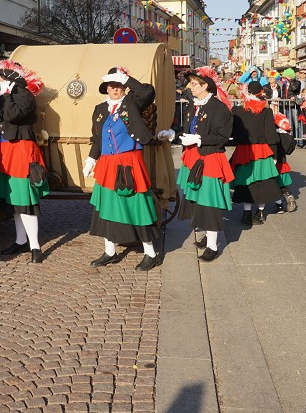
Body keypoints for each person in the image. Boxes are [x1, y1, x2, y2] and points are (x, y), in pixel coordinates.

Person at [84, 67, 161, 271]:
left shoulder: (131, 103)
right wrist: (91, 159)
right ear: (106, 88)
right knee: (106, 209)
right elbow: (97, 139)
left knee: (138, 207)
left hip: (128, 162)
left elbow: (147, 92)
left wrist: (126, 78)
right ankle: (110, 251)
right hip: (107, 165)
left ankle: (150, 253)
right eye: (111, 85)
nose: (115, 89)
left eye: (118, 85)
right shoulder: (100, 109)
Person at [0, 60, 50, 263]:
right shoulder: (5, 97)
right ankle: (21, 240)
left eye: (2, 78)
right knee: (14, 202)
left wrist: (6, 96)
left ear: (12, 80)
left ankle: (35, 246)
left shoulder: (24, 96)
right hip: (6, 149)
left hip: (21, 150)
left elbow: (13, 116)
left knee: (25, 202)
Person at [173, 67, 234, 262]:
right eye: (190, 83)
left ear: (205, 85)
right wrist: (173, 135)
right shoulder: (194, 104)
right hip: (193, 157)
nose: (189, 86)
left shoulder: (218, 108)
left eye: (193, 83)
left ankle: (213, 245)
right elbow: (186, 128)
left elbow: (222, 137)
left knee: (209, 202)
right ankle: (208, 235)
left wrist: (199, 140)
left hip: (209, 157)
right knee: (198, 199)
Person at [230, 81, 280, 225]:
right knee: (262, 181)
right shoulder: (266, 111)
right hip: (261, 150)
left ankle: (246, 214)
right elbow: (271, 134)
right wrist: (274, 153)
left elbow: (234, 132)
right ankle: (262, 212)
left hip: (244, 149)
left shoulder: (238, 110)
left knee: (245, 181)